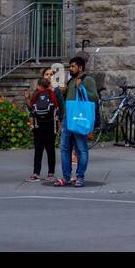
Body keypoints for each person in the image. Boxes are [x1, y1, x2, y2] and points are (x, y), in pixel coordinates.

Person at [57, 55, 97, 187]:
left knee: (81, 149)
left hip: (80, 118)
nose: (71, 69)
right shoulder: (71, 80)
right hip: (68, 119)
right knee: (64, 148)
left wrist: (82, 88)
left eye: (73, 66)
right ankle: (66, 177)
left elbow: (94, 98)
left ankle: (80, 177)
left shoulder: (88, 79)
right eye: (70, 66)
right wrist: (64, 92)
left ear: (80, 67)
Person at [28, 75, 60, 181]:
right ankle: (51, 173)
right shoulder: (52, 94)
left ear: (39, 86)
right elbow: (57, 108)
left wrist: (27, 98)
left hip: (38, 126)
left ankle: (36, 173)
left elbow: (31, 108)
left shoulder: (36, 94)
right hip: (50, 126)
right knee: (50, 150)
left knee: (38, 150)